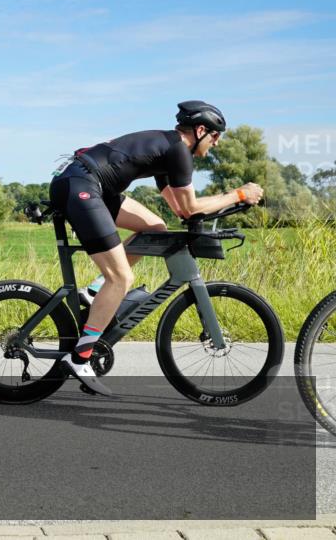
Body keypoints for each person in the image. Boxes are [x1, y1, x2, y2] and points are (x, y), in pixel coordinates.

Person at [49, 101, 264, 395]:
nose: (217, 142)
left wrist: (227, 203)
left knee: (155, 228)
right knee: (122, 278)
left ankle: (95, 291)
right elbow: (190, 207)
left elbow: (181, 210)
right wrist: (239, 194)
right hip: (81, 185)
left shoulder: (171, 152)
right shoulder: (177, 151)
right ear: (201, 130)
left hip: (88, 184)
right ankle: (80, 356)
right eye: (215, 135)